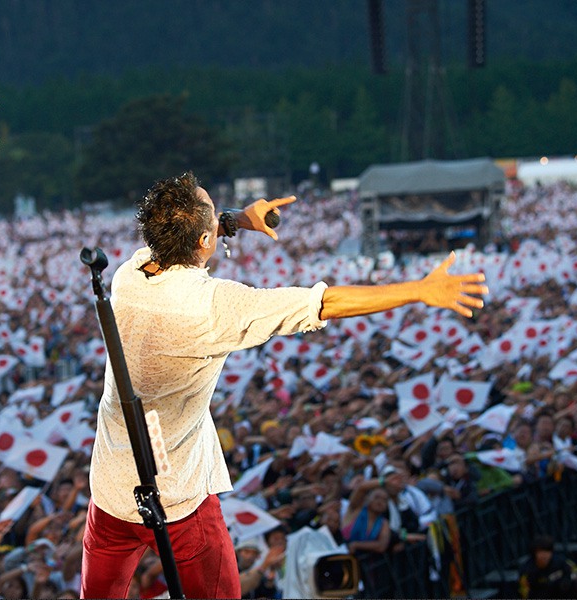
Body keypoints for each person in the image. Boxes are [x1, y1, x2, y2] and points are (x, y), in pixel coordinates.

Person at [78, 171, 488, 599]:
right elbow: (322, 302)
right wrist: (418, 290)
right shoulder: (213, 306)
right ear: (203, 242)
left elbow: (184, 236)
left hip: (111, 487)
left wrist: (237, 221)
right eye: (213, 215)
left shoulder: (128, 274)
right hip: (180, 498)